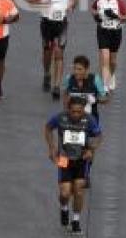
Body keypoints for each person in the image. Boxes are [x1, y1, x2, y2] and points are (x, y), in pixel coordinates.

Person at [44, 96, 102, 235]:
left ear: (83, 110)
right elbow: (47, 128)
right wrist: (51, 148)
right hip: (64, 159)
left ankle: (75, 221)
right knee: (65, 193)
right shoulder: (60, 118)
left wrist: (90, 149)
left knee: (79, 190)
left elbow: (99, 136)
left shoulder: (89, 120)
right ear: (68, 109)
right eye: (73, 111)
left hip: (82, 160)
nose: (76, 115)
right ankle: (64, 207)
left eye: (79, 111)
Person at [30, 0, 78, 99]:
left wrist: (71, 6)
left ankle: (56, 85)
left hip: (61, 23)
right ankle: (47, 73)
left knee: (59, 53)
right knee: (47, 52)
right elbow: (31, 0)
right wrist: (43, 2)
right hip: (46, 22)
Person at [91, 0, 126, 92]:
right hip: (103, 31)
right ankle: (105, 86)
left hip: (115, 32)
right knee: (105, 58)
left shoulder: (120, 2)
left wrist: (116, 16)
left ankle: (111, 76)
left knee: (112, 61)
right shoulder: (99, 1)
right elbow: (93, 9)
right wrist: (96, 16)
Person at [64, 55, 109, 123]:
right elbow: (65, 98)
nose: (76, 72)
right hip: (73, 119)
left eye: (79, 69)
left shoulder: (95, 80)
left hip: (91, 118)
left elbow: (105, 99)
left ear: (87, 70)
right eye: (75, 69)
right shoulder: (69, 79)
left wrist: (95, 100)